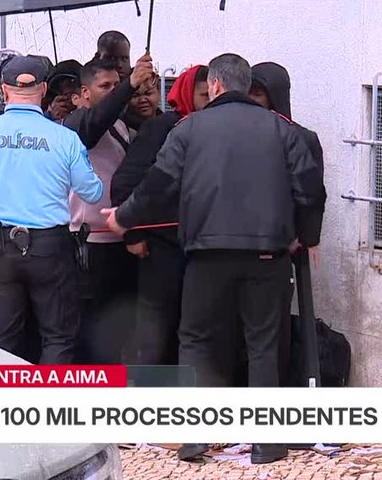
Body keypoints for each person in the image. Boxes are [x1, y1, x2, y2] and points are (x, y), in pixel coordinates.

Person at [101, 53, 326, 464]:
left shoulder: (189, 129)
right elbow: (311, 190)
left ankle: (195, 435)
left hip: (207, 254)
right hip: (267, 255)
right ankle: (267, 443)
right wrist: (308, 237)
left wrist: (124, 218)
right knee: (263, 343)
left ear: (217, 85)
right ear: (246, 85)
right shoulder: (281, 128)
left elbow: (158, 185)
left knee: (197, 340)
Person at [0, 55, 104, 365]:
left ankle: (7, 395)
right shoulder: (65, 138)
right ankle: (48, 396)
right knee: (58, 337)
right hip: (50, 247)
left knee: (2, 339)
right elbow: (92, 192)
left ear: (4, 90)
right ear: (44, 90)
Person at [110, 64, 210, 366]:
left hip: (202, 249)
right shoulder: (162, 128)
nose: (211, 102)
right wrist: (133, 234)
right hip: (161, 248)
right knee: (157, 331)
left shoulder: (216, 130)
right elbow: (125, 182)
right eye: (204, 95)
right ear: (187, 93)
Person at [249, 61, 327, 388]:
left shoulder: (301, 138)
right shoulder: (236, 134)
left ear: (276, 95)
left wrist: (303, 235)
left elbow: (311, 193)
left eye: (258, 94)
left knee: (272, 334)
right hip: (235, 247)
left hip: (278, 249)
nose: (251, 101)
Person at [66, 57, 139, 365]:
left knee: (117, 329)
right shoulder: (74, 125)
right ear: (84, 93)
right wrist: (129, 86)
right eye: (105, 86)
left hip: (121, 238)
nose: (113, 92)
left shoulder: (122, 124)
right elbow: (93, 126)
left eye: (116, 85)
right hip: (89, 244)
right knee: (88, 329)